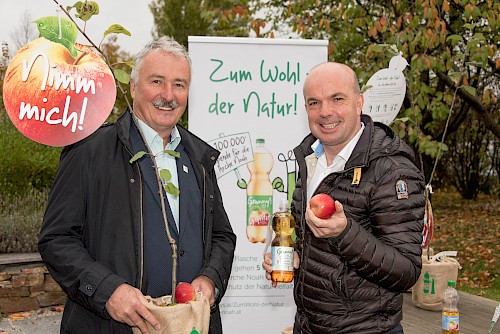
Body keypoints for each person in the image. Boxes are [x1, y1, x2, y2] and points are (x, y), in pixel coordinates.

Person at [38, 36, 236, 334]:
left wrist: (210, 279)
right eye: (157, 81)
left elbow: (221, 235)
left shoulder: (199, 157)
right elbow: (56, 239)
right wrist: (108, 291)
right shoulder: (89, 151)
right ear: (133, 87)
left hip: (191, 326)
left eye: (179, 85)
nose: (168, 95)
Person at [263, 62, 425, 333]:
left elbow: (406, 272)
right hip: (309, 325)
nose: (325, 112)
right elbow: (315, 246)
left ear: (359, 102)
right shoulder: (309, 159)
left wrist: (344, 233)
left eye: (337, 99)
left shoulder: (391, 169)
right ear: (306, 110)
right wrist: (295, 256)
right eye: (314, 102)